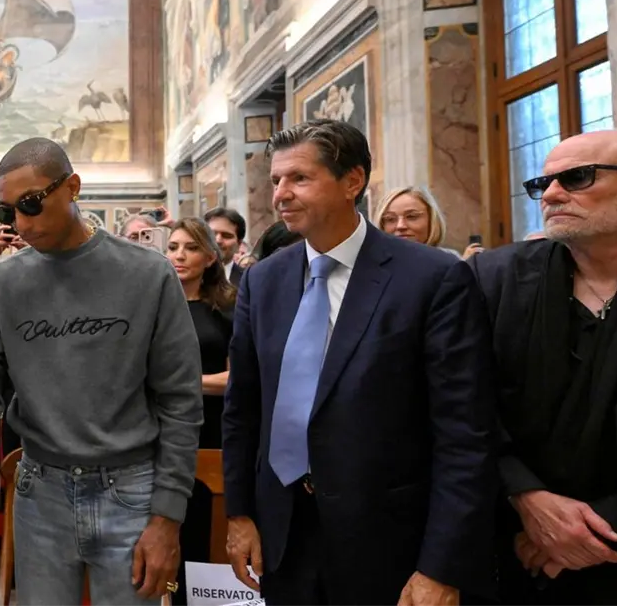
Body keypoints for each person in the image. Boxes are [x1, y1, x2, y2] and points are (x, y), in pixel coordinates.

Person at [222, 120, 497, 606]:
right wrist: (240, 513)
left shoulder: (432, 278)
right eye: (277, 180)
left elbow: (464, 432)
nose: (281, 194)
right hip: (283, 534)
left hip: (390, 541)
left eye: (299, 178)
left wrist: (442, 564)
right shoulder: (263, 281)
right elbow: (243, 407)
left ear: (352, 181)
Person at [0, 137, 203, 604]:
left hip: (131, 489)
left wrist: (168, 516)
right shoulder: (3, 281)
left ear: (72, 187)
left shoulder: (148, 274)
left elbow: (180, 402)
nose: (20, 223)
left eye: (31, 204)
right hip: (40, 489)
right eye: (7, 212)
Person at [468, 130, 617, 604]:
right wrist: (526, 497)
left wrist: (595, 530)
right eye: (542, 183)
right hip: (509, 547)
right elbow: (460, 403)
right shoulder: (492, 280)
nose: (550, 194)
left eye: (577, 177)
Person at [165, 217, 235, 606]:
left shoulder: (227, 307)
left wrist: (186, 384)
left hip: (211, 431)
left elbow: (238, 378)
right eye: (173, 247)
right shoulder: (154, 305)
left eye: (191, 248)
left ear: (210, 257)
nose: (179, 255)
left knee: (204, 531)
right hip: (160, 431)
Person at [374, 186, 475, 259]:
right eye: (390, 219)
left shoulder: (450, 261)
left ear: (431, 219)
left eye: (412, 216)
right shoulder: (370, 265)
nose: (400, 226)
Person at [203, 207, 247, 284]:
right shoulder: (185, 277)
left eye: (226, 236)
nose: (218, 240)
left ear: (238, 244)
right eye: (212, 234)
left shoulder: (249, 281)